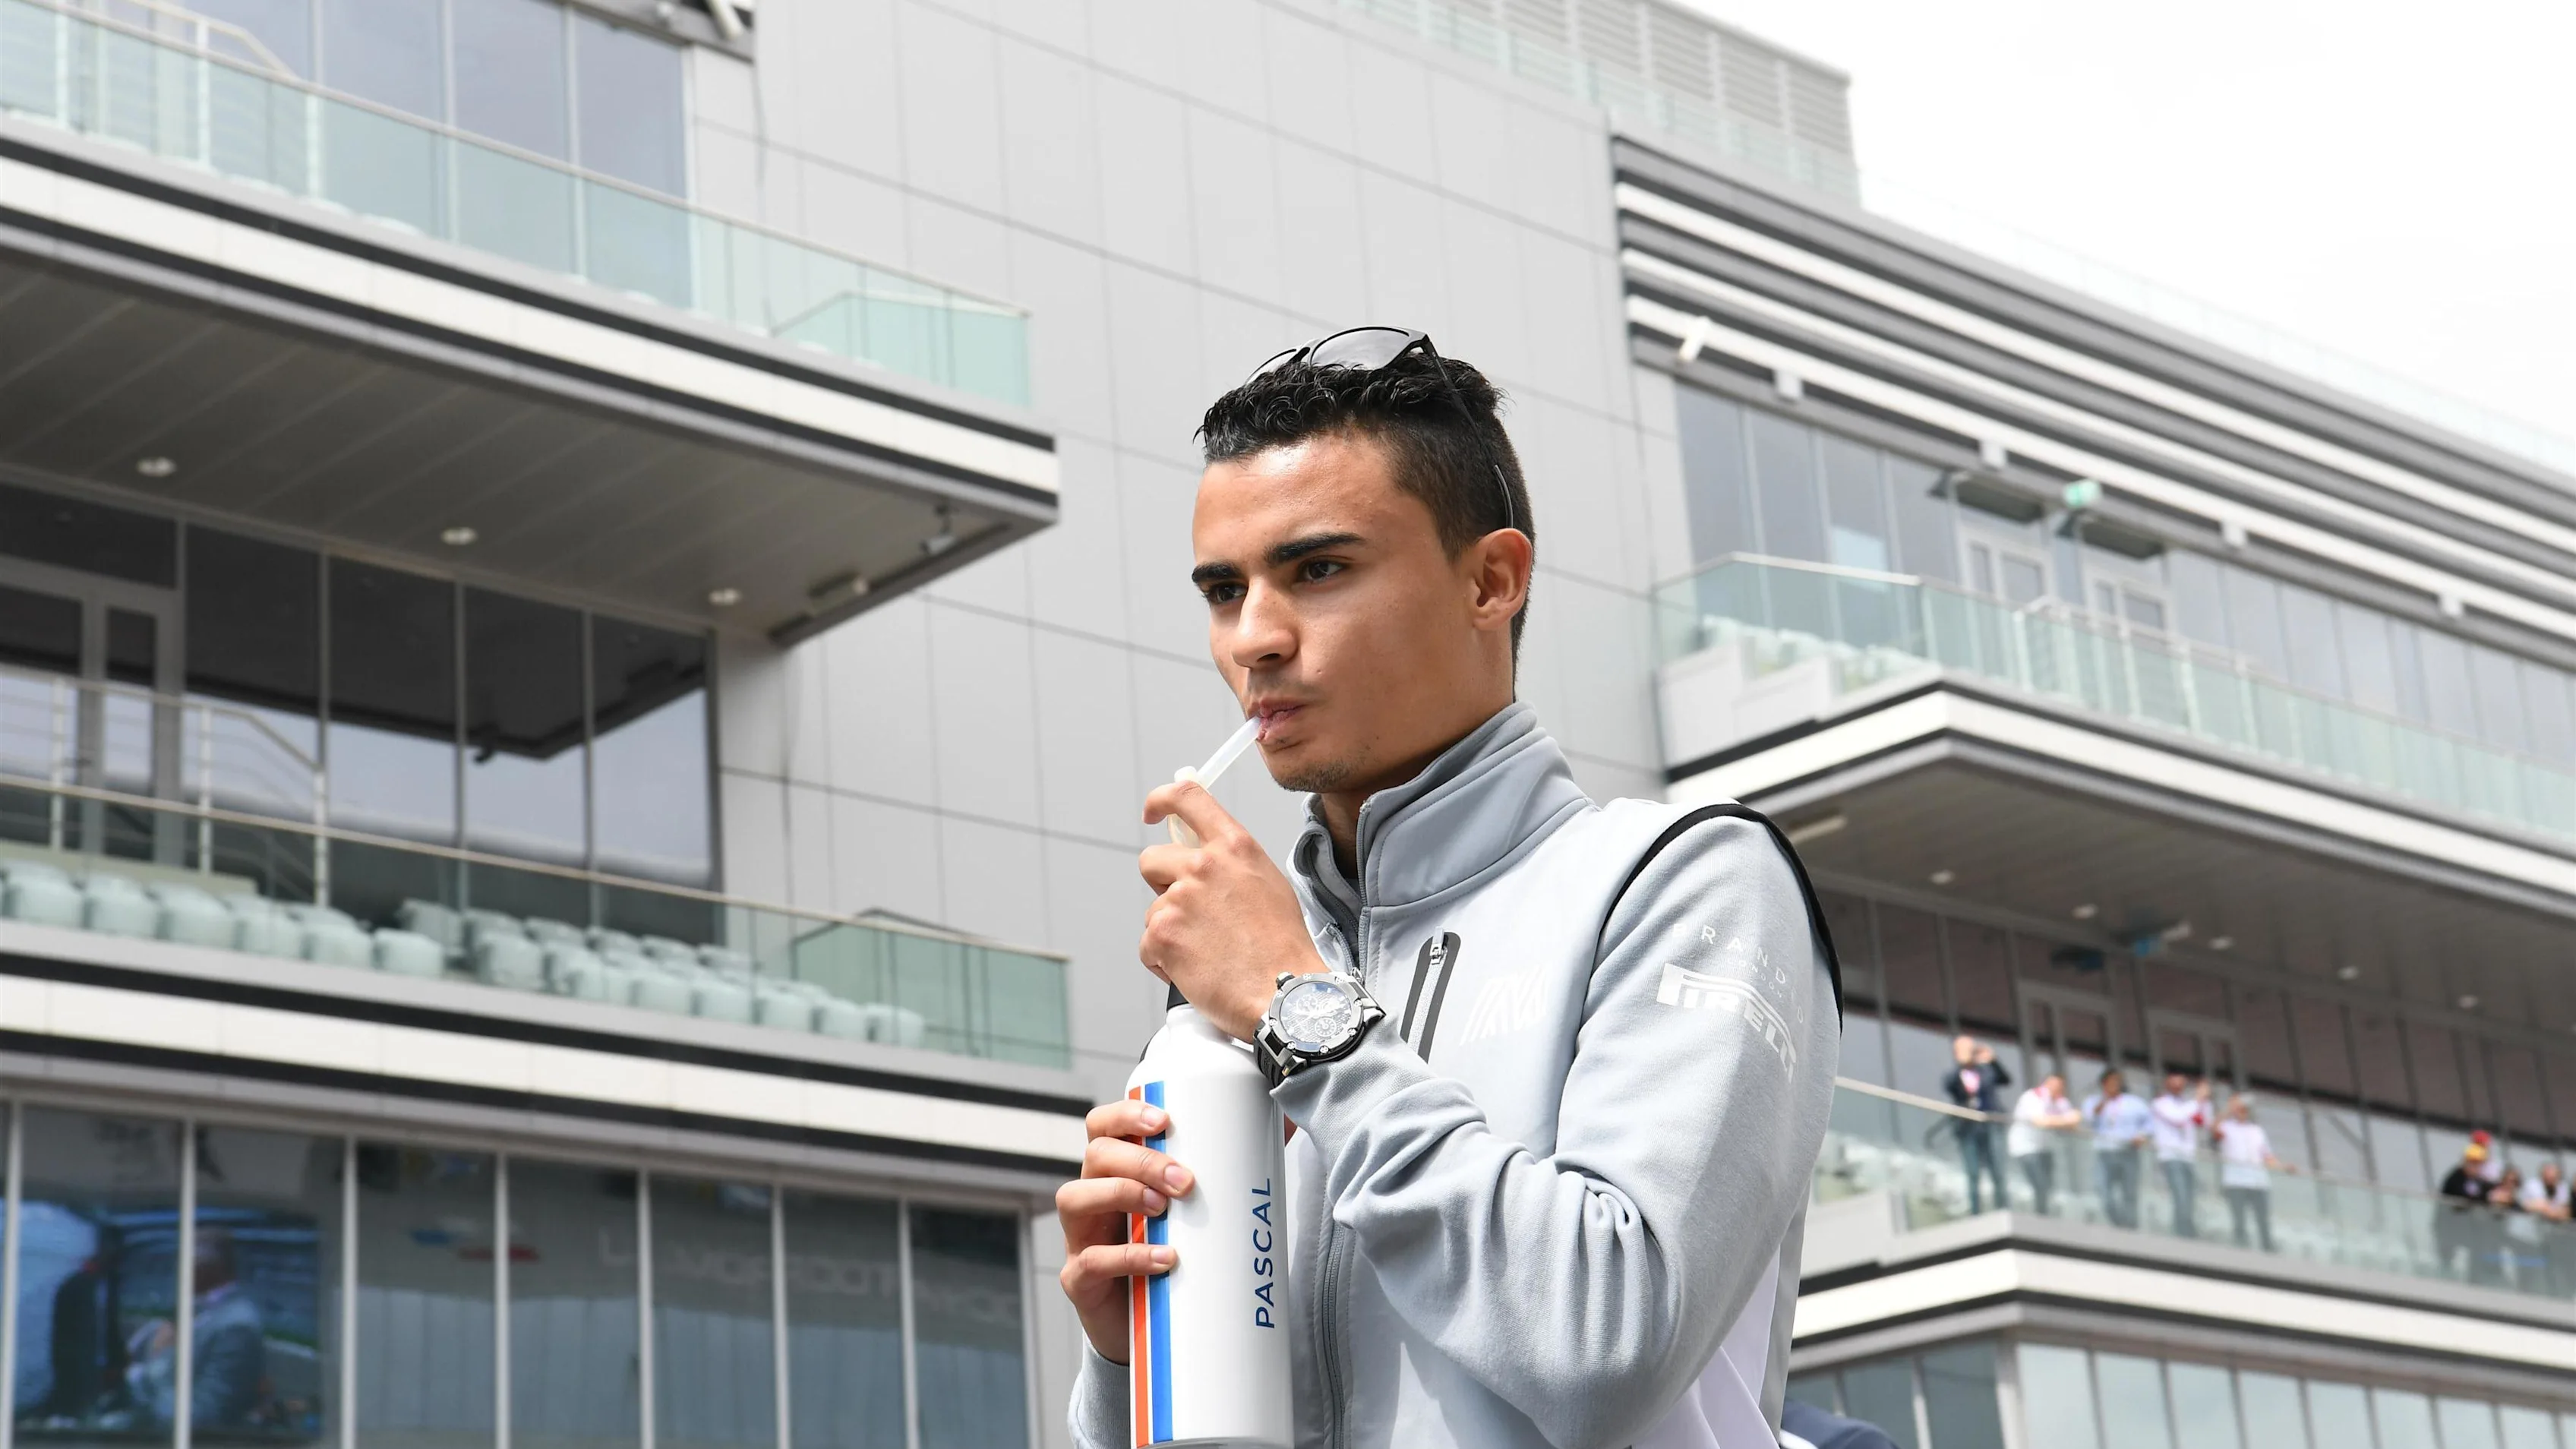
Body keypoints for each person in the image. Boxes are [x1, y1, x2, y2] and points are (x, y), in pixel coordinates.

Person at [1053, 331, 1842, 1449]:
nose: (1255, 640)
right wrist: (1125, 1357)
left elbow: (1606, 1349)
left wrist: (1302, 1011)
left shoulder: (1686, 880)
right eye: (1224, 591)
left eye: (1317, 570)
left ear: (1491, 580)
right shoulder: (1245, 969)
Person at [124, 1229, 266, 1431]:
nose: (179, 1267)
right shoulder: (195, 1310)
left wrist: (143, 1373)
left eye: (190, 1258)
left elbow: (202, 1416)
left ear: (214, 1266)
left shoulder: (237, 1326)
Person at [1939, 1036, 2012, 1214]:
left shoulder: (1986, 1071)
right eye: (1965, 1049)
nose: (1970, 1052)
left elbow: (2005, 1080)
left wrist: (1993, 1060)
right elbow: (1949, 1085)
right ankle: (1975, 1213)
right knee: (1973, 1173)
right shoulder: (1953, 1075)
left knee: (1998, 1170)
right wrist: (1962, 1064)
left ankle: (2002, 1210)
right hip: (1968, 1129)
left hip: (1990, 1125)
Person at [2212, 1094, 2286, 1252]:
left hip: (2258, 1182)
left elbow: (2267, 1156)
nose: (2242, 1112)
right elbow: (2214, 1130)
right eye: (2239, 1109)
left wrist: (2283, 1167)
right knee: (2239, 1220)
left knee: (2263, 1220)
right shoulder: (2227, 1126)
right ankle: (2241, 1249)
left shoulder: (2257, 1130)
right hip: (2236, 1182)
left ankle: (2268, 1248)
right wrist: (2229, 1108)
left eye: (2244, 1109)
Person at [2082, 1069, 2151, 1229]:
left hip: (2127, 1152)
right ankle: (2118, 1224)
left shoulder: (2134, 1103)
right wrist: (2105, 1100)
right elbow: (2088, 1120)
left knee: (2129, 1192)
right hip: (2105, 1153)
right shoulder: (2093, 1101)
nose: (2115, 1085)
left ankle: (2131, 1228)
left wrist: (2141, 1135)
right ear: (2104, 1084)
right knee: (2104, 1191)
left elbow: (2149, 1124)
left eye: (2117, 1082)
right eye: (2111, 1082)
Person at [2149, 1072, 2214, 1238]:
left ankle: (2188, 1230)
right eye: (2175, 1080)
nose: (2179, 1084)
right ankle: (2182, 1232)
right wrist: (2198, 1099)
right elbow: (2177, 1118)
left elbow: (2204, 1123)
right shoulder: (2160, 1103)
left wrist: (2205, 1100)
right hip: (2171, 1157)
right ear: (2167, 1082)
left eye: (2182, 1081)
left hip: (2187, 1158)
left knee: (2190, 1198)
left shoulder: (2188, 1104)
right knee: (2181, 1196)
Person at [2009, 1072, 2081, 1216]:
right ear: (2046, 1084)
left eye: (2060, 1086)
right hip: (2025, 1148)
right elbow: (2041, 1122)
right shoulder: (2032, 1097)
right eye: (2053, 1085)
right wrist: (2065, 1120)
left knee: (2048, 1186)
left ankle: (2045, 1214)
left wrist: (2063, 1121)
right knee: (2039, 1184)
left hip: (2045, 1149)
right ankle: (2039, 1217)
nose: (2057, 1089)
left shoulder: (2061, 1101)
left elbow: (2074, 1123)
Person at [2436, 1141, 2502, 1286]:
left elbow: (2486, 1196)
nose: (2476, 1166)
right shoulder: (2455, 1177)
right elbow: (2459, 1198)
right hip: (2449, 1226)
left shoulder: (2479, 1181)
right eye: (2473, 1162)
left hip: (2469, 1228)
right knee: (2447, 1255)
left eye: (2479, 1164)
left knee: (2477, 1249)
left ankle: (2475, 1280)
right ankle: (2445, 1279)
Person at [2517, 1161, 2573, 1296]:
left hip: (2548, 1241)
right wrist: (2551, 1210)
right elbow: (2536, 1206)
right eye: (2549, 1175)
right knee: (2526, 1271)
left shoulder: (2562, 1188)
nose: (2552, 1179)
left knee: (2548, 1272)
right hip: (2526, 1237)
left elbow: (2565, 1212)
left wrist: (2551, 1210)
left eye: (2555, 1176)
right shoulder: (2533, 1185)